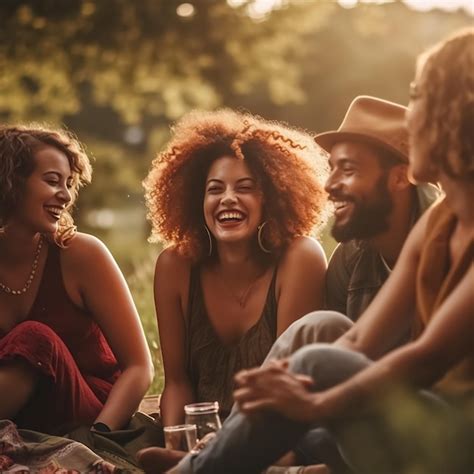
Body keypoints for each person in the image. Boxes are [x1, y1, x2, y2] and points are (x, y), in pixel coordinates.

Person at [170, 27, 474, 474]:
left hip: (459, 438)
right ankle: (218, 461)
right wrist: (285, 388)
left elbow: (425, 357)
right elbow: (356, 342)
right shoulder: (438, 222)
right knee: (319, 344)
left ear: (453, 114)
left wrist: (314, 403)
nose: (409, 120)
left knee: (313, 374)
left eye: (418, 98)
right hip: (413, 418)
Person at [142, 109, 329, 425]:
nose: (228, 198)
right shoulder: (175, 266)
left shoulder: (300, 259)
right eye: (215, 189)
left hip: (278, 432)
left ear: (270, 198)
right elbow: (176, 384)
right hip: (200, 443)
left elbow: (285, 386)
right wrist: (176, 448)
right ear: (195, 200)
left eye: (245, 187)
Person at [0, 125, 154, 435]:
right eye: (52, 181)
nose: (66, 195)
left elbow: (140, 368)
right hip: (17, 420)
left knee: (34, 337)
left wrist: (100, 436)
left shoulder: (80, 254)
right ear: (11, 183)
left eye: (69, 183)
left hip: (86, 415)